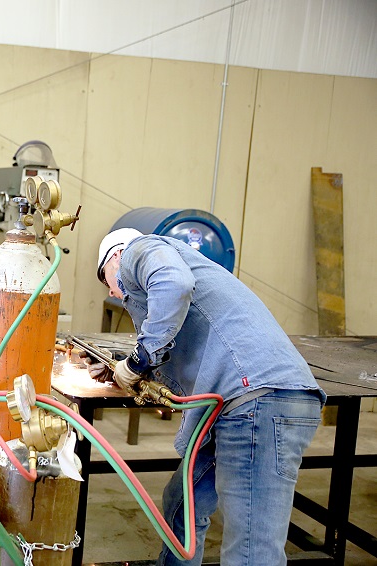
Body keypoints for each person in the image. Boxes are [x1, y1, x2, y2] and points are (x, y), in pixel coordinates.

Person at [94, 228, 326, 565]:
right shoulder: (187, 263)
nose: (115, 293)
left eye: (107, 281)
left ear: (114, 257)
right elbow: (177, 343)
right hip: (244, 403)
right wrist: (124, 363)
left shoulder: (136, 250)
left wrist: (139, 359)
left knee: (251, 552)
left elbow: (173, 285)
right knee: (182, 500)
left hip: (257, 402)